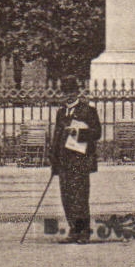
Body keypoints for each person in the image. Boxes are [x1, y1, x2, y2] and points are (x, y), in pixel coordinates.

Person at [46, 77, 101, 244]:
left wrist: (78, 132)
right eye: (65, 93)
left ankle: (83, 232)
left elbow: (97, 133)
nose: (68, 96)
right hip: (63, 162)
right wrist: (54, 160)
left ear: (77, 92)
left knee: (80, 197)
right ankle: (73, 230)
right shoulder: (61, 112)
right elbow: (56, 137)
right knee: (67, 197)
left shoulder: (88, 110)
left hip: (80, 161)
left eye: (71, 92)